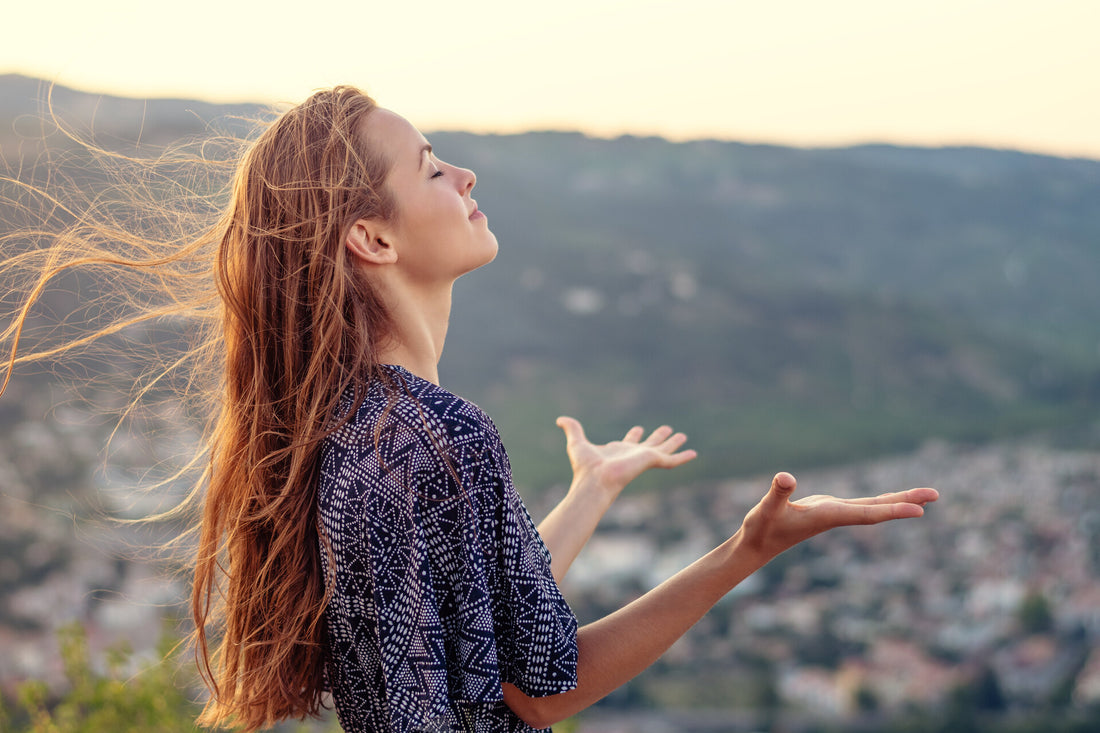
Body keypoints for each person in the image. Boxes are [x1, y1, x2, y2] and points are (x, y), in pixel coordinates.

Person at [1, 86, 937, 732]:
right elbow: (539, 688)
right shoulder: (439, 436)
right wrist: (748, 550)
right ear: (371, 234)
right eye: (432, 167)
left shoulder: (356, 431)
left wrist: (588, 494)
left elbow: (476, 635)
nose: (467, 178)